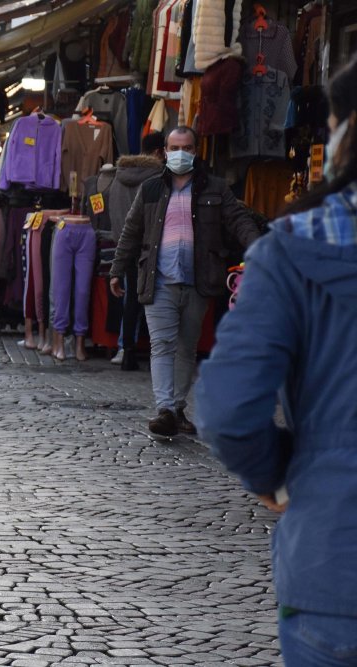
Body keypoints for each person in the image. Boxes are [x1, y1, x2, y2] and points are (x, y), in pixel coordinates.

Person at [196, 57, 357, 665]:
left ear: (344, 133)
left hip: (338, 567)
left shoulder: (294, 249)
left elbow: (229, 408)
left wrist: (278, 476)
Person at [110, 126, 259, 438]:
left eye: (187, 148)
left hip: (198, 281)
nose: (180, 153)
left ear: (196, 151)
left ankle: (177, 409)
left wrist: (259, 248)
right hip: (158, 280)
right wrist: (117, 268)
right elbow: (131, 231)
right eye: (175, 148)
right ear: (165, 151)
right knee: (161, 345)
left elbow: (238, 220)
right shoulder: (151, 188)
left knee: (186, 348)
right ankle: (165, 409)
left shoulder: (215, 188)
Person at [106, 131, 165, 371]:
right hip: (149, 246)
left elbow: (115, 212)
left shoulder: (118, 177)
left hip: (124, 244)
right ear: (159, 152)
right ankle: (154, 351)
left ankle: (125, 348)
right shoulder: (157, 178)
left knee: (130, 298)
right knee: (151, 298)